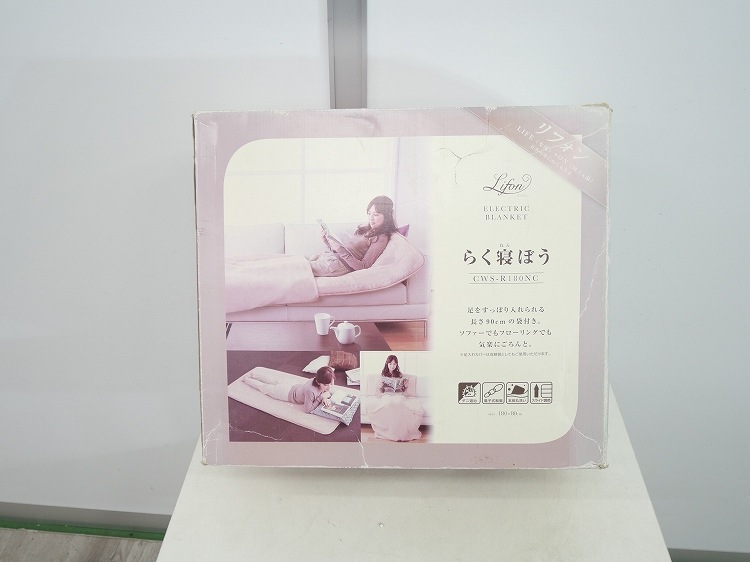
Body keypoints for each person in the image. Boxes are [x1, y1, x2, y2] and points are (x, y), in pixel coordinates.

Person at [309, 195, 399, 277]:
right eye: (369, 213)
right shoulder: (368, 230)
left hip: (338, 265)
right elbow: (347, 252)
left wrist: (339, 249)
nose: (371, 218)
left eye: (375, 215)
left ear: (386, 216)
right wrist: (326, 241)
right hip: (331, 257)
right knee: (302, 262)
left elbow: (363, 266)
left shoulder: (381, 238)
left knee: (302, 268)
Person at [243, 366, 334, 413]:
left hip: (292, 384)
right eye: (326, 385)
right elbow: (307, 410)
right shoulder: (310, 391)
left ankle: (254, 374)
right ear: (318, 382)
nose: (329, 387)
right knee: (263, 387)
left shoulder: (316, 379)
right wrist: (320, 398)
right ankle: (246, 379)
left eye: (331, 383)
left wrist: (324, 397)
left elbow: (325, 391)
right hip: (285, 392)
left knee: (271, 380)